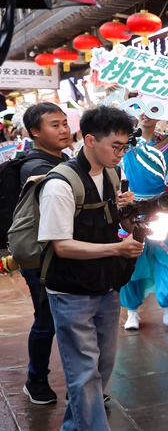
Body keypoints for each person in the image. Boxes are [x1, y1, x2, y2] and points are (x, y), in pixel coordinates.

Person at [39, 105, 143, 431]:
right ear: (89, 140)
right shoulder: (60, 184)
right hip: (69, 291)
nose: (120, 154)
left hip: (105, 285)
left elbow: (117, 225)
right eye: (115, 146)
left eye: (124, 146)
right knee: (84, 372)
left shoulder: (112, 174)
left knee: (103, 366)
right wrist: (118, 248)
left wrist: (128, 212)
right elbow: (62, 246)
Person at [119, 105, 168, 331]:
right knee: (131, 258)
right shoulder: (126, 141)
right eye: (140, 108)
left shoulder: (166, 141)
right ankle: (132, 311)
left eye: (152, 108)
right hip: (132, 208)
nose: (146, 113)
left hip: (161, 206)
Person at [18, 103, 70, 405]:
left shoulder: (64, 160)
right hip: (40, 257)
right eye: (55, 125)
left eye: (65, 123)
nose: (63, 130)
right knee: (47, 320)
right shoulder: (36, 168)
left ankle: (82, 384)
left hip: (65, 252)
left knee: (72, 320)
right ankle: (35, 379)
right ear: (35, 132)